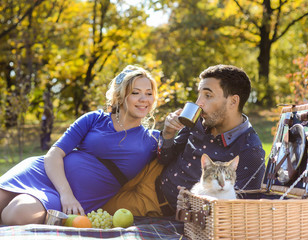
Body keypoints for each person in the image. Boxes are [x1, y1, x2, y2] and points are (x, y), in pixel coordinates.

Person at [0, 65, 160, 225]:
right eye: (136, 92)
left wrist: (175, 126)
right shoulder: (94, 118)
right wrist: (66, 194)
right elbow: (53, 155)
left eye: (149, 94)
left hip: (69, 199)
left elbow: (182, 142)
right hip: (45, 175)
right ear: (121, 97)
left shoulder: (152, 139)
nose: (144, 99)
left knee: (17, 215)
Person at [103, 64, 265, 217]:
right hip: (149, 172)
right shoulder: (200, 120)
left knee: (94, 211)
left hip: (155, 203)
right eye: (199, 94)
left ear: (233, 101)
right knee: (90, 183)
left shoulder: (250, 151)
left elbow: (238, 213)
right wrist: (168, 133)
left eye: (207, 95)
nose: (198, 103)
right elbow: (165, 157)